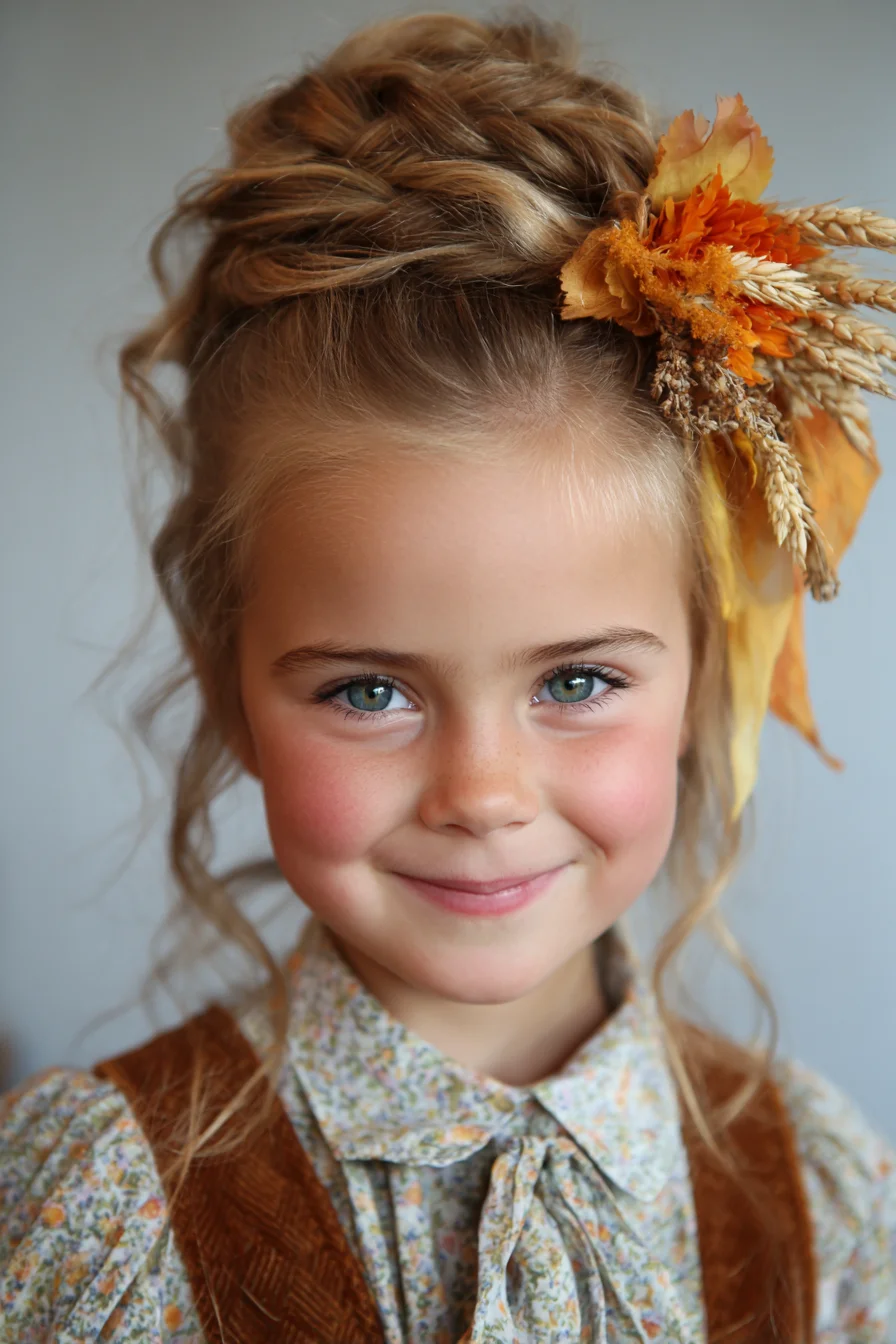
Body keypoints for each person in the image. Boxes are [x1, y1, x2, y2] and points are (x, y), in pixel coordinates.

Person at [2, 10, 895, 1342]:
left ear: (705, 667)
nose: (482, 792)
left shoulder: (824, 1194)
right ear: (228, 683)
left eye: (578, 681)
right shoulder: (98, 1201)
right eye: (369, 691)